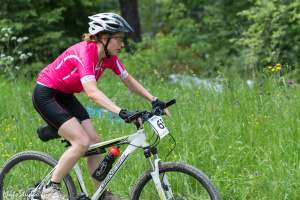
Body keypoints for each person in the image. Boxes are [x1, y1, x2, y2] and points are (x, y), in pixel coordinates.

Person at [32, 12, 166, 200]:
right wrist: (121, 112)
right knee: (81, 142)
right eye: (119, 39)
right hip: (46, 94)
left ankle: (100, 193)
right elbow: (93, 93)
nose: (122, 44)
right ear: (104, 38)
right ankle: (50, 187)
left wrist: (153, 99)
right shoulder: (85, 54)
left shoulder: (109, 57)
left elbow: (128, 80)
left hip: (66, 96)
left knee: (95, 143)